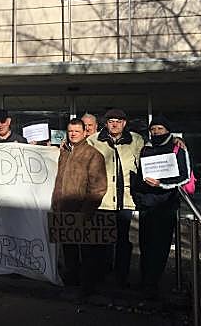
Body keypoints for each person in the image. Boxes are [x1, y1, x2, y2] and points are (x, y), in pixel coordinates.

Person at [131, 115, 190, 297]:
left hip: (166, 205)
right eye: (153, 129)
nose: (156, 132)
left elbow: (185, 177)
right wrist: (139, 195)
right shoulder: (146, 148)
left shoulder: (177, 148)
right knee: (145, 245)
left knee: (161, 246)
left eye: (160, 129)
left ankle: (152, 283)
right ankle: (144, 280)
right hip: (147, 205)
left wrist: (162, 184)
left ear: (168, 130)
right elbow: (140, 173)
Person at [87, 108, 144, 287]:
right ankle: (100, 276)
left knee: (123, 240)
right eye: (111, 121)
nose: (115, 124)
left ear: (124, 123)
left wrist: (175, 141)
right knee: (102, 240)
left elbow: (150, 156)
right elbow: (79, 155)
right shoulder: (94, 140)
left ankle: (122, 277)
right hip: (103, 199)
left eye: (119, 121)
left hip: (125, 199)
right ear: (106, 123)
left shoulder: (136, 140)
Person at [51, 118, 107, 294]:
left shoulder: (93, 154)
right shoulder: (64, 153)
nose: (73, 134)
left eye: (76, 131)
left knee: (87, 252)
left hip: (82, 211)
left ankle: (87, 288)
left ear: (84, 132)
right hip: (64, 209)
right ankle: (71, 283)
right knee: (69, 250)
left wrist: (86, 212)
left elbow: (98, 187)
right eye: (70, 131)